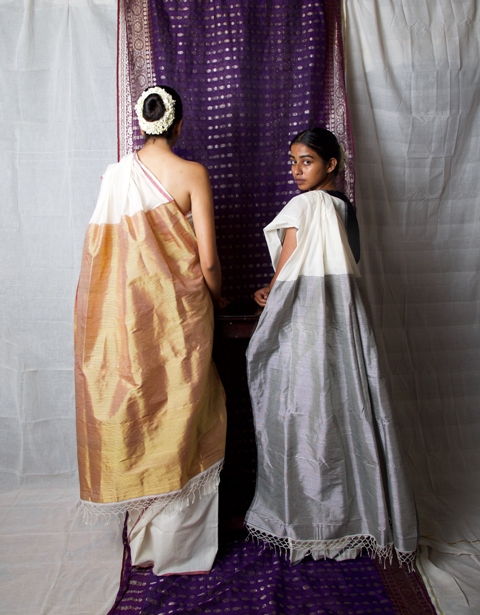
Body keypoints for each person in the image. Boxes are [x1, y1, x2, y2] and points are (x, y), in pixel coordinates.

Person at [245, 127, 418, 568]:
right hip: (344, 324)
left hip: (306, 325)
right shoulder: (344, 208)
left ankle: (305, 521)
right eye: (293, 161)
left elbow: (289, 270)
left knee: (303, 413)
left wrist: (268, 295)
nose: (296, 170)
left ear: (331, 164)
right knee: (344, 410)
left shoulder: (306, 206)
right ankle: (355, 517)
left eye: (306, 161)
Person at [75, 85, 227, 576]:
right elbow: (207, 260)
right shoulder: (192, 173)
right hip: (182, 316)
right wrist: (218, 297)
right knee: (187, 413)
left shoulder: (115, 176)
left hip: (131, 317)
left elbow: (104, 257)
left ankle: (144, 545)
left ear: (142, 124)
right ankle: (182, 549)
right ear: (178, 124)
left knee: (143, 413)